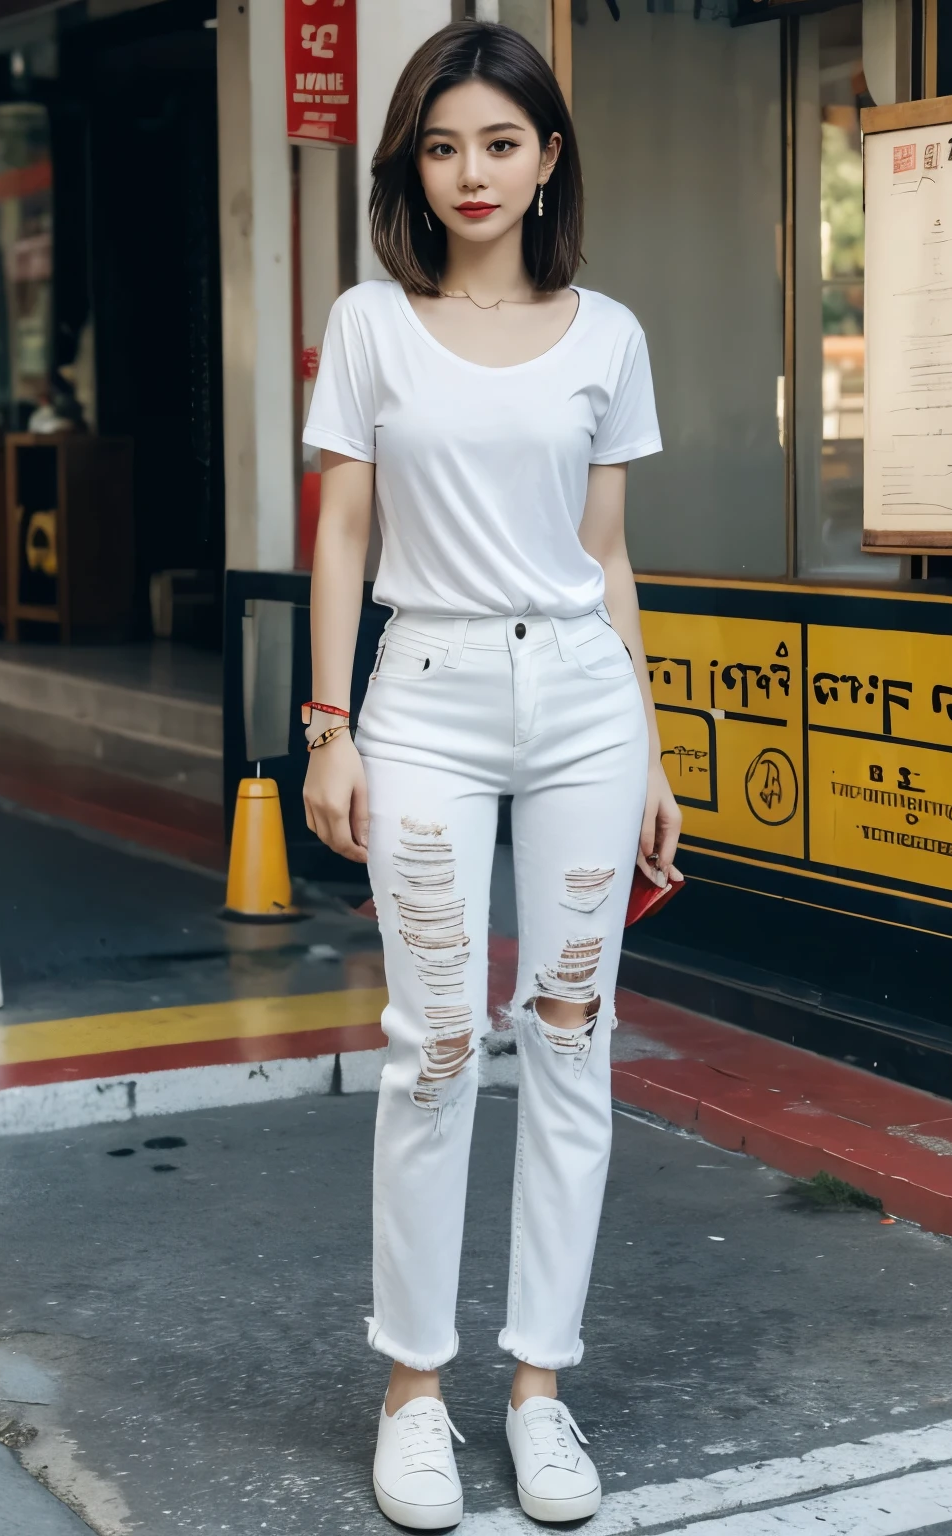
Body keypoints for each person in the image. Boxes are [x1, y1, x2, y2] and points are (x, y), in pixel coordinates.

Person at [301, 20, 682, 1529]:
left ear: (548, 159)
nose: (473, 172)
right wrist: (328, 729)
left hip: (584, 698)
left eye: (502, 143)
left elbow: (607, 557)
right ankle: (412, 1391)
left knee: (575, 1031)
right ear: (417, 160)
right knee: (438, 1037)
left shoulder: (610, 333)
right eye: (446, 144)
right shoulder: (372, 326)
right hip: (432, 697)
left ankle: (539, 1389)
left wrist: (649, 747)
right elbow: (340, 533)